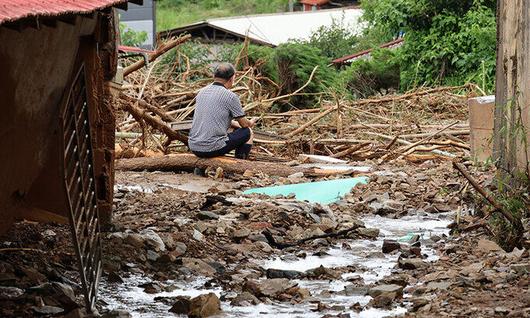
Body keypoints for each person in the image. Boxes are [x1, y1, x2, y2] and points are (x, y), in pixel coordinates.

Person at [188, 62, 256, 159]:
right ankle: (238, 165)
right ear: (232, 78)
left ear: (214, 76)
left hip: (194, 146)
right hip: (212, 148)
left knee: (229, 130)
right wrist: (251, 122)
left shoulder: (201, 92)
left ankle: (201, 168)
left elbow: (213, 117)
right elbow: (244, 124)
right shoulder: (230, 96)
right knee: (248, 132)